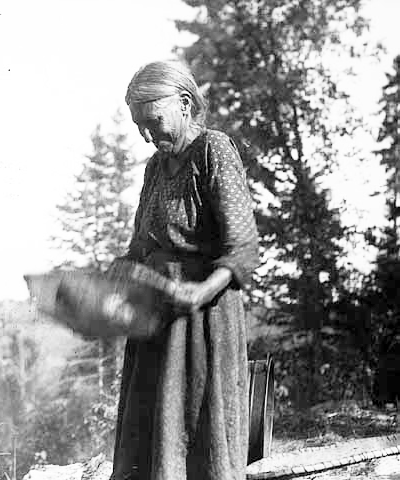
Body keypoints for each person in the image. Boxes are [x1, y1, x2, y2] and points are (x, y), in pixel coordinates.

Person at [109, 60, 260, 480]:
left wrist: (200, 291)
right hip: (157, 322)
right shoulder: (155, 168)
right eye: (139, 126)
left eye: (153, 122)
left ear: (186, 103)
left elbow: (244, 247)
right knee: (148, 445)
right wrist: (118, 269)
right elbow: (142, 244)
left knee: (197, 441)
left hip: (201, 321)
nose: (146, 135)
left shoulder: (213, 151)